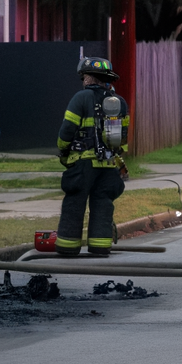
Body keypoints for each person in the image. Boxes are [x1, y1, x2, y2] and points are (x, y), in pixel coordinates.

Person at [55, 57, 129, 257]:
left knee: (75, 201)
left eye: (84, 76)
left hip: (83, 163)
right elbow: (123, 139)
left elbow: (67, 129)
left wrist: (62, 149)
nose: (83, 80)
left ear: (89, 78)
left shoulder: (81, 98)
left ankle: (68, 247)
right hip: (108, 165)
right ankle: (100, 246)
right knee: (103, 203)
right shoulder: (120, 102)